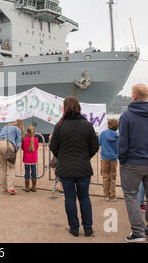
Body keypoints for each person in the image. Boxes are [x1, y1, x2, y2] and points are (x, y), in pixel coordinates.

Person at [119, 84, 148, 243]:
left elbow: (123, 143)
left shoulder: (126, 116)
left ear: (134, 97)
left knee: (131, 195)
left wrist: (122, 160)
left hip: (132, 162)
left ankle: (138, 232)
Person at [49, 96, 99, 237]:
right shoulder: (87, 125)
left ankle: (74, 228)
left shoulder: (59, 126)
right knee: (84, 197)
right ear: (78, 108)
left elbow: (53, 146)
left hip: (65, 168)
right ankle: (88, 228)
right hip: (83, 168)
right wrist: (85, 157)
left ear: (64, 108)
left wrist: (63, 157)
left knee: (69, 198)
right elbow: (95, 146)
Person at [0, 120, 23, 195]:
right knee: (11, 167)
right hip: (8, 144)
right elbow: (18, 141)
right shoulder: (18, 129)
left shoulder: (6, 126)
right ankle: (11, 188)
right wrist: (15, 150)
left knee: (2, 167)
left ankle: (4, 188)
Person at [99, 119, 119, 201]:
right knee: (113, 177)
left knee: (105, 176)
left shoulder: (103, 133)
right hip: (113, 158)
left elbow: (99, 143)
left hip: (104, 158)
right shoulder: (118, 136)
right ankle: (112, 195)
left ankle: (106, 195)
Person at [22, 125, 39, 192]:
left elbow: (22, 148)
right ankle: (34, 187)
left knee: (27, 172)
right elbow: (36, 147)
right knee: (34, 172)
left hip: (26, 159)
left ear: (27, 132)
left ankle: (27, 187)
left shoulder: (25, 140)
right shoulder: (36, 140)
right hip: (33, 159)